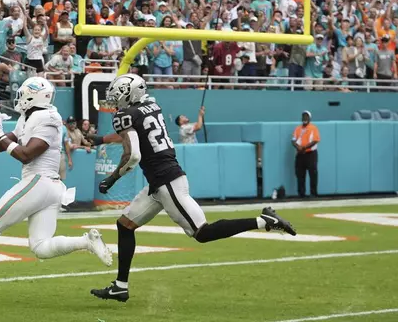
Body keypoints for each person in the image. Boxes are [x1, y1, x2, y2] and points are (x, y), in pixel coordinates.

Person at [89, 74, 296, 303]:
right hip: (160, 183)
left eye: (118, 95)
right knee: (125, 225)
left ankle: (265, 221)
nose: (115, 100)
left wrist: (113, 178)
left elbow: (133, 154)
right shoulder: (151, 106)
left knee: (202, 233)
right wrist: (100, 140)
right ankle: (120, 287)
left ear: (130, 95)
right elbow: (132, 138)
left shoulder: (126, 115)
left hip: (167, 183)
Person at [0, 77, 113, 298]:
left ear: (35, 95)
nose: (20, 97)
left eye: (24, 93)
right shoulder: (29, 117)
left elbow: (27, 155)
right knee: (40, 246)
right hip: (48, 187)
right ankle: (86, 241)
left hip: (39, 182)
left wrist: (0, 134)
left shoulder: (49, 118)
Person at [292, 111, 320, 198]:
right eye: (303, 117)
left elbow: (315, 140)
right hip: (300, 154)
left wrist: (304, 147)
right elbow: (293, 140)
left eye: (306, 117)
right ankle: (301, 194)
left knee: (313, 173)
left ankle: (313, 193)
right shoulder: (297, 129)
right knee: (300, 174)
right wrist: (298, 147)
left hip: (311, 154)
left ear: (310, 118)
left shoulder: (313, 128)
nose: (305, 118)